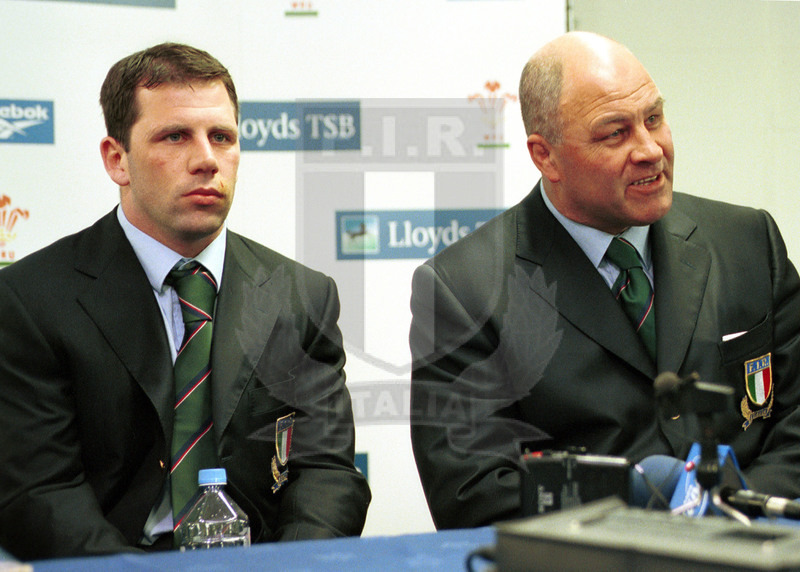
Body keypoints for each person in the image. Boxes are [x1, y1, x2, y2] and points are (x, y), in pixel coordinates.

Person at [409, 31, 800, 529]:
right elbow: (474, 494)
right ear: (545, 156)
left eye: (654, 118)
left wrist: (728, 516)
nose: (650, 150)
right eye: (614, 133)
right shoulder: (465, 289)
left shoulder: (748, 240)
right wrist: (650, 511)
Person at [0, 43, 370, 560]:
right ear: (117, 160)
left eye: (222, 137)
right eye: (175, 136)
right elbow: (38, 494)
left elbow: (326, 472)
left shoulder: (301, 296)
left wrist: (292, 567)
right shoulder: (31, 301)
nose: (206, 160)